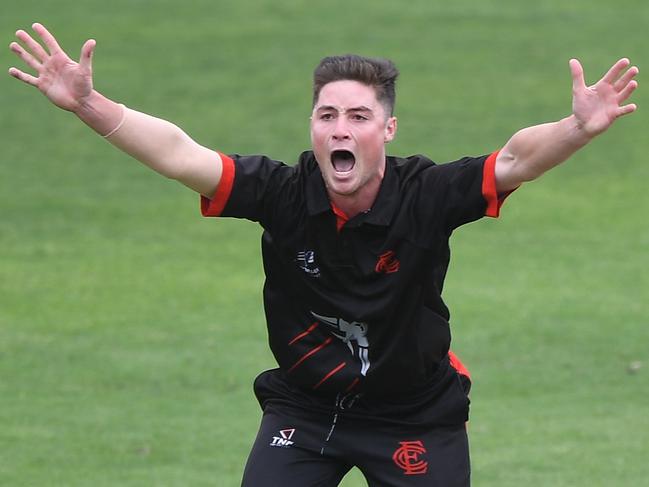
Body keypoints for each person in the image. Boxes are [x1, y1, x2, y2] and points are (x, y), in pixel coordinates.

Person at [8, 23, 638, 487]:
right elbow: (180, 153)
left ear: (386, 130)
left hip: (413, 411)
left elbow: (514, 159)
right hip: (307, 408)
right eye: (327, 114)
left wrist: (576, 129)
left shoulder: (425, 195)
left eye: (359, 116)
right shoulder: (283, 193)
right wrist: (90, 104)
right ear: (312, 125)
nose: (341, 128)